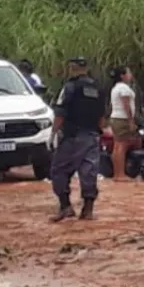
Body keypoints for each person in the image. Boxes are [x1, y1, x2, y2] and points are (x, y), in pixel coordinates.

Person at [49, 57, 106, 222]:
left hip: (72, 137)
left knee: (59, 170)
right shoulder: (98, 88)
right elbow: (102, 117)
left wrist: (53, 133)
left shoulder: (70, 87)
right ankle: (88, 210)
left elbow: (61, 112)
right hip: (92, 136)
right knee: (89, 171)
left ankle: (65, 207)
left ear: (71, 68)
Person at [108, 66, 139, 181]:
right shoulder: (124, 89)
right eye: (129, 72)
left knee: (117, 146)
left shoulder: (116, 88)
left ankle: (117, 173)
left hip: (115, 117)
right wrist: (131, 120)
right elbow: (126, 105)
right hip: (122, 119)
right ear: (122, 75)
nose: (130, 75)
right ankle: (120, 174)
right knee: (122, 146)